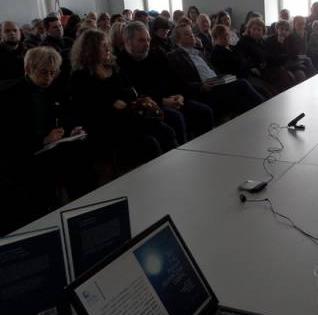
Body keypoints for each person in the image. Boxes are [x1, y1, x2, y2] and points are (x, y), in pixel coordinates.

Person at [0, 47, 97, 233]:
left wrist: (71, 131)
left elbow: (64, 118)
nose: (49, 78)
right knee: (42, 176)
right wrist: (43, 140)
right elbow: (8, 139)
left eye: (53, 73)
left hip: (50, 148)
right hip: (23, 154)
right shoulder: (9, 96)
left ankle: (84, 219)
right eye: (44, 72)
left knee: (83, 161)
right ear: (28, 68)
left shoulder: (54, 90)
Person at [70, 30, 177, 173]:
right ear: (91, 50)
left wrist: (120, 100)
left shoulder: (113, 68)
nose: (108, 48)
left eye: (107, 45)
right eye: (103, 46)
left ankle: (173, 169)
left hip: (130, 116)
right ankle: (159, 174)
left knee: (166, 131)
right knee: (149, 143)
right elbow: (86, 109)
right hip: (106, 125)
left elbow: (132, 92)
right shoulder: (80, 76)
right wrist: (111, 104)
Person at [117, 21, 214, 144]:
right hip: (150, 108)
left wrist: (180, 96)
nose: (147, 44)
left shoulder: (157, 54)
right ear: (128, 41)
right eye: (141, 40)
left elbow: (175, 80)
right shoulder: (120, 64)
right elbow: (135, 95)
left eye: (148, 40)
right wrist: (162, 101)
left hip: (172, 99)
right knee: (176, 118)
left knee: (204, 111)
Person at [168, 23, 265, 120]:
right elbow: (180, 83)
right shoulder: (175, 56)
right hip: (204, 91)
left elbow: (214, 71)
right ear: (178, 40)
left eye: (191, 33)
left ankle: (260, 117)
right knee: (242, 84)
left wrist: (223, 78)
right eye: (186, 34)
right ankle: (265, 109)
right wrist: (200, 86)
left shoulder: (199, 53)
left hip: (216, 83)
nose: (192, 35)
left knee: (249, 95)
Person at [210, 24, 276, 99]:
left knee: (271, 88)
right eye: (222, 36)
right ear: (215, 38)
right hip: (237, 78)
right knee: (265, 92)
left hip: (247, 74)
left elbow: (243, 59)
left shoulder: (232, 47)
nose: (226, 38)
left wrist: (250, 68)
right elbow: (222, 73)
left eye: (227, 35)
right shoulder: (216, 53)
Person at [236, 17, 294, 92]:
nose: (256, 32)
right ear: (249, 29)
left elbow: (270, 57)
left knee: (282, 72)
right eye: (254, 29)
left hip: (264, 69)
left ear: (263, 31)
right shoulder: (243, 41)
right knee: (274, 84)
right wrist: (250, 67)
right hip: (251, 72)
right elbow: (240, 58)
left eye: (259, 30)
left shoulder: (262, 41)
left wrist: (282, 53)